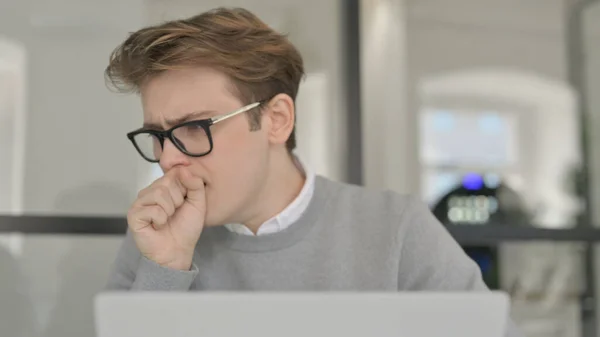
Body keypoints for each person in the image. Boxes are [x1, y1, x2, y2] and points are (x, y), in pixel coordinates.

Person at [104, 7, 521, 336]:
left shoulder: (396, 228)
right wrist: (166, 270)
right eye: (157, 135)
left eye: (194, 128)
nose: (168, 159)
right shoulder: (157, 240)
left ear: (277, 119)